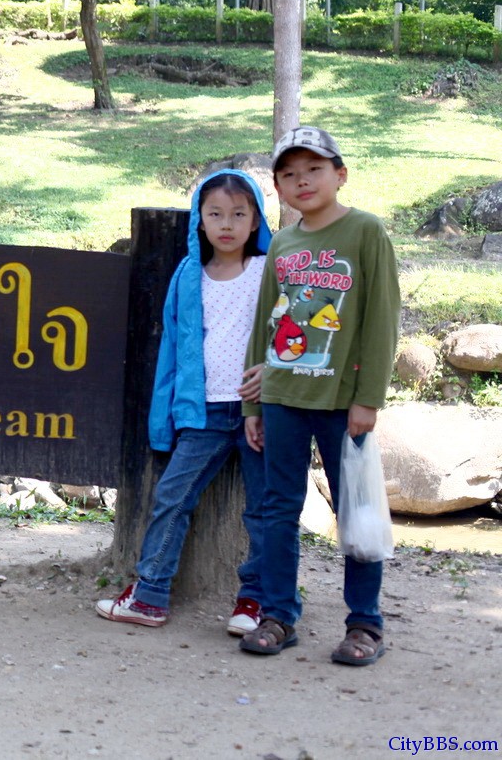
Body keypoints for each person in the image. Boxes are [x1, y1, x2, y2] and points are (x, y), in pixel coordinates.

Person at [237, 125, 399, 666]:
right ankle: (279, 614)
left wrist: (368, 398)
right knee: (278, 509)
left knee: (356, 509)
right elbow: (265, 323)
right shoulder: (283, 242)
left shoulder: (366, 232)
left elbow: (381, 320)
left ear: (340, 174)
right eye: (289, 174)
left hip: (341, 403)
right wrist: (253, 405)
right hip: (283, 397)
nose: (302, 181)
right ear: (278, 188)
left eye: (314, 170)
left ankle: (365, 625)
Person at [97, 169, 272, 634]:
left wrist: (274, 380)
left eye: (239, 214)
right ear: (200, 219)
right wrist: (167, 415)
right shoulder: (189, 275)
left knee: (265, 508)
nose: (227, 224)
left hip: (265, 411)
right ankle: (150, 594)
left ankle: (256, 602)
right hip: (206, 410)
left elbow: (294, 333)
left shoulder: (267, 271)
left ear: (255, 220)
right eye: (215, 214)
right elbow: (174, 347)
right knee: (172, 496)